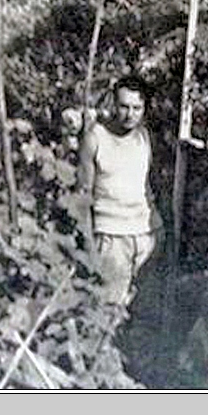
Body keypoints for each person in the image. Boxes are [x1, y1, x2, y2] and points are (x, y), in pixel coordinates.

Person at [77, 75, 163, 306]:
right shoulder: (94, 139)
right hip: (111, 236)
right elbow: (83, 196)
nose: (130, 114)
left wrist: (158, 227)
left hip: (145, 235)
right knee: (108, 309)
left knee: (143, 312)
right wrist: (89, 245)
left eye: (137, 108)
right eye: (124, 106)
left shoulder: (145, 137)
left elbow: (148, 185)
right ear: (113, 105)